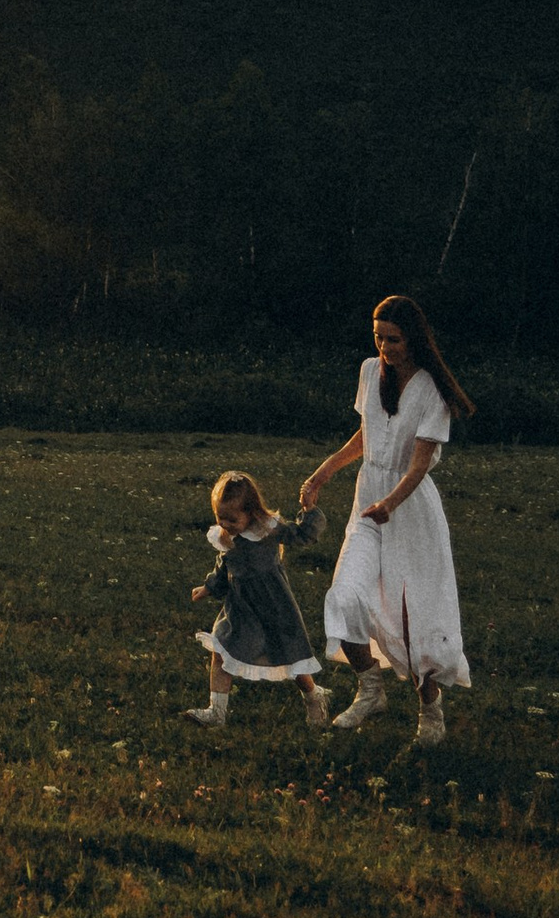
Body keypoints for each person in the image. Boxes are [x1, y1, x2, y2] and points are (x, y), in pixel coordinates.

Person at [300, 293, 472, 745]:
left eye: (393, 338)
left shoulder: (430, 389)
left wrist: (391, 504)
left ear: (412, 337)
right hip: (368, 505)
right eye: (377, 337)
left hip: (409, 512)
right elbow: (366, 436)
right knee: (342, 598)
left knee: (411, 617)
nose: (384, 346)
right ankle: (371, 690)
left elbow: (418, 464)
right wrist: (323, 474)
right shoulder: (368, 372)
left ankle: (430, 711)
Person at [186, 470, 328, 728]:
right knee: (221, 651)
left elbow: (302, 535)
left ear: (251, 512)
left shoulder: (268, 530)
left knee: (290, 657)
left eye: (232, 519)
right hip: (240, 608)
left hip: (274, 605)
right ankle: (216, 712)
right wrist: (208, 587)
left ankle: (313, 696)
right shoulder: (226, 535)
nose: (225, 525)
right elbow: (224, 565)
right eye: (220, 517)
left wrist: (309, 509)